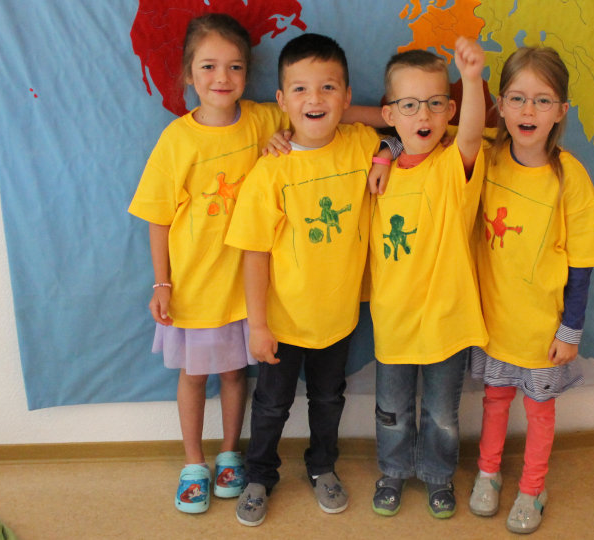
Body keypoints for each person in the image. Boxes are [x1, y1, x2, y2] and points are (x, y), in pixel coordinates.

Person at [128, 13, 289, 514]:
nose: (223, 78)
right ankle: (193, 462)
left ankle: (228, 455)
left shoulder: (264, 119)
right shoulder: (177, 140)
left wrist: (393, 124)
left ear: (247, 73)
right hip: (195, 287)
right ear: (188, 74)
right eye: (209, 66)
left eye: (235, 67)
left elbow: (318, 116)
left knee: (238, 375)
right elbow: (157, 217)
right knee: (195, 377)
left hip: (247, 287)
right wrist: (162, 282)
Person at [225, 33, 386, 527]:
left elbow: (399, 120)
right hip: (282, 319)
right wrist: (257, 325)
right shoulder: (270, 170)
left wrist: (381, 154)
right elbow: (253, 253)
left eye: (328, 88)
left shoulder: (362, 145)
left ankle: (322, 466)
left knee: (328, 399)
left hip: (337, 318)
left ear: (347, 94)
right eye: (300, 90)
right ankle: (259, 474)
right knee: (271, 404)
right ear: (280, 101)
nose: (314, 100)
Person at [468, 46, 594, 534]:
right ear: (500, 105)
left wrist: (571, 330)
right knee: (494, 401)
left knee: (539, 412)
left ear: (561, 111)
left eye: (542, 101)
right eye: (518, 98)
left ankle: (532, 488)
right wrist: (388, 149)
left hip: (544, 331)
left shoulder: (572, 179)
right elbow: (424, 138)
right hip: (494, 323)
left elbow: (584, 265)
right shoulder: (485, 155)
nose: (529, 111)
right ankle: (488, 474)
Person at [368, 38, 488, 520]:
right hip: (393, 322)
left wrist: (474, 78)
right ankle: (393, 471)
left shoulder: (450, 167)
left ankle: (439, 477)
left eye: (436, 103)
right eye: (410, 104)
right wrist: (382, 149)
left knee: (442, 414)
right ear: (390, 113)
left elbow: (474, 135)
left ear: (450, 109)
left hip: (446, 321)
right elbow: (348, 123)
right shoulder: (378, 169)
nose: (425, 114)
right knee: (391, 411)